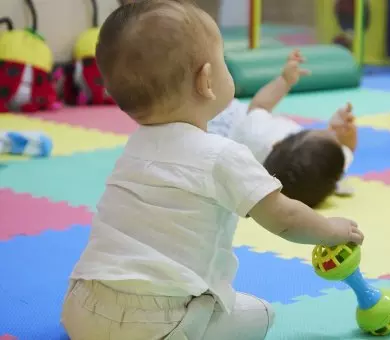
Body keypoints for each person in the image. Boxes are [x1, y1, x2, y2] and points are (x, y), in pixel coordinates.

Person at [60, 2, 364, 340]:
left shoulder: (134, 147)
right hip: (159, 322)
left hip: (81, 308)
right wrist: (331, 230)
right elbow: (285, 218)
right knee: (261, 314)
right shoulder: (223, 154)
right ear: (207, 81)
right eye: (223, 61)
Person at [208, 49, 358, 208]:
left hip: (222, 119)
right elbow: (347, 148)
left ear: (277, 142)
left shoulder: (258, 135)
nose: (329, 131)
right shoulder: (326, 173)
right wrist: (345, 131)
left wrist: (284, 81)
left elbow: (260, 105)